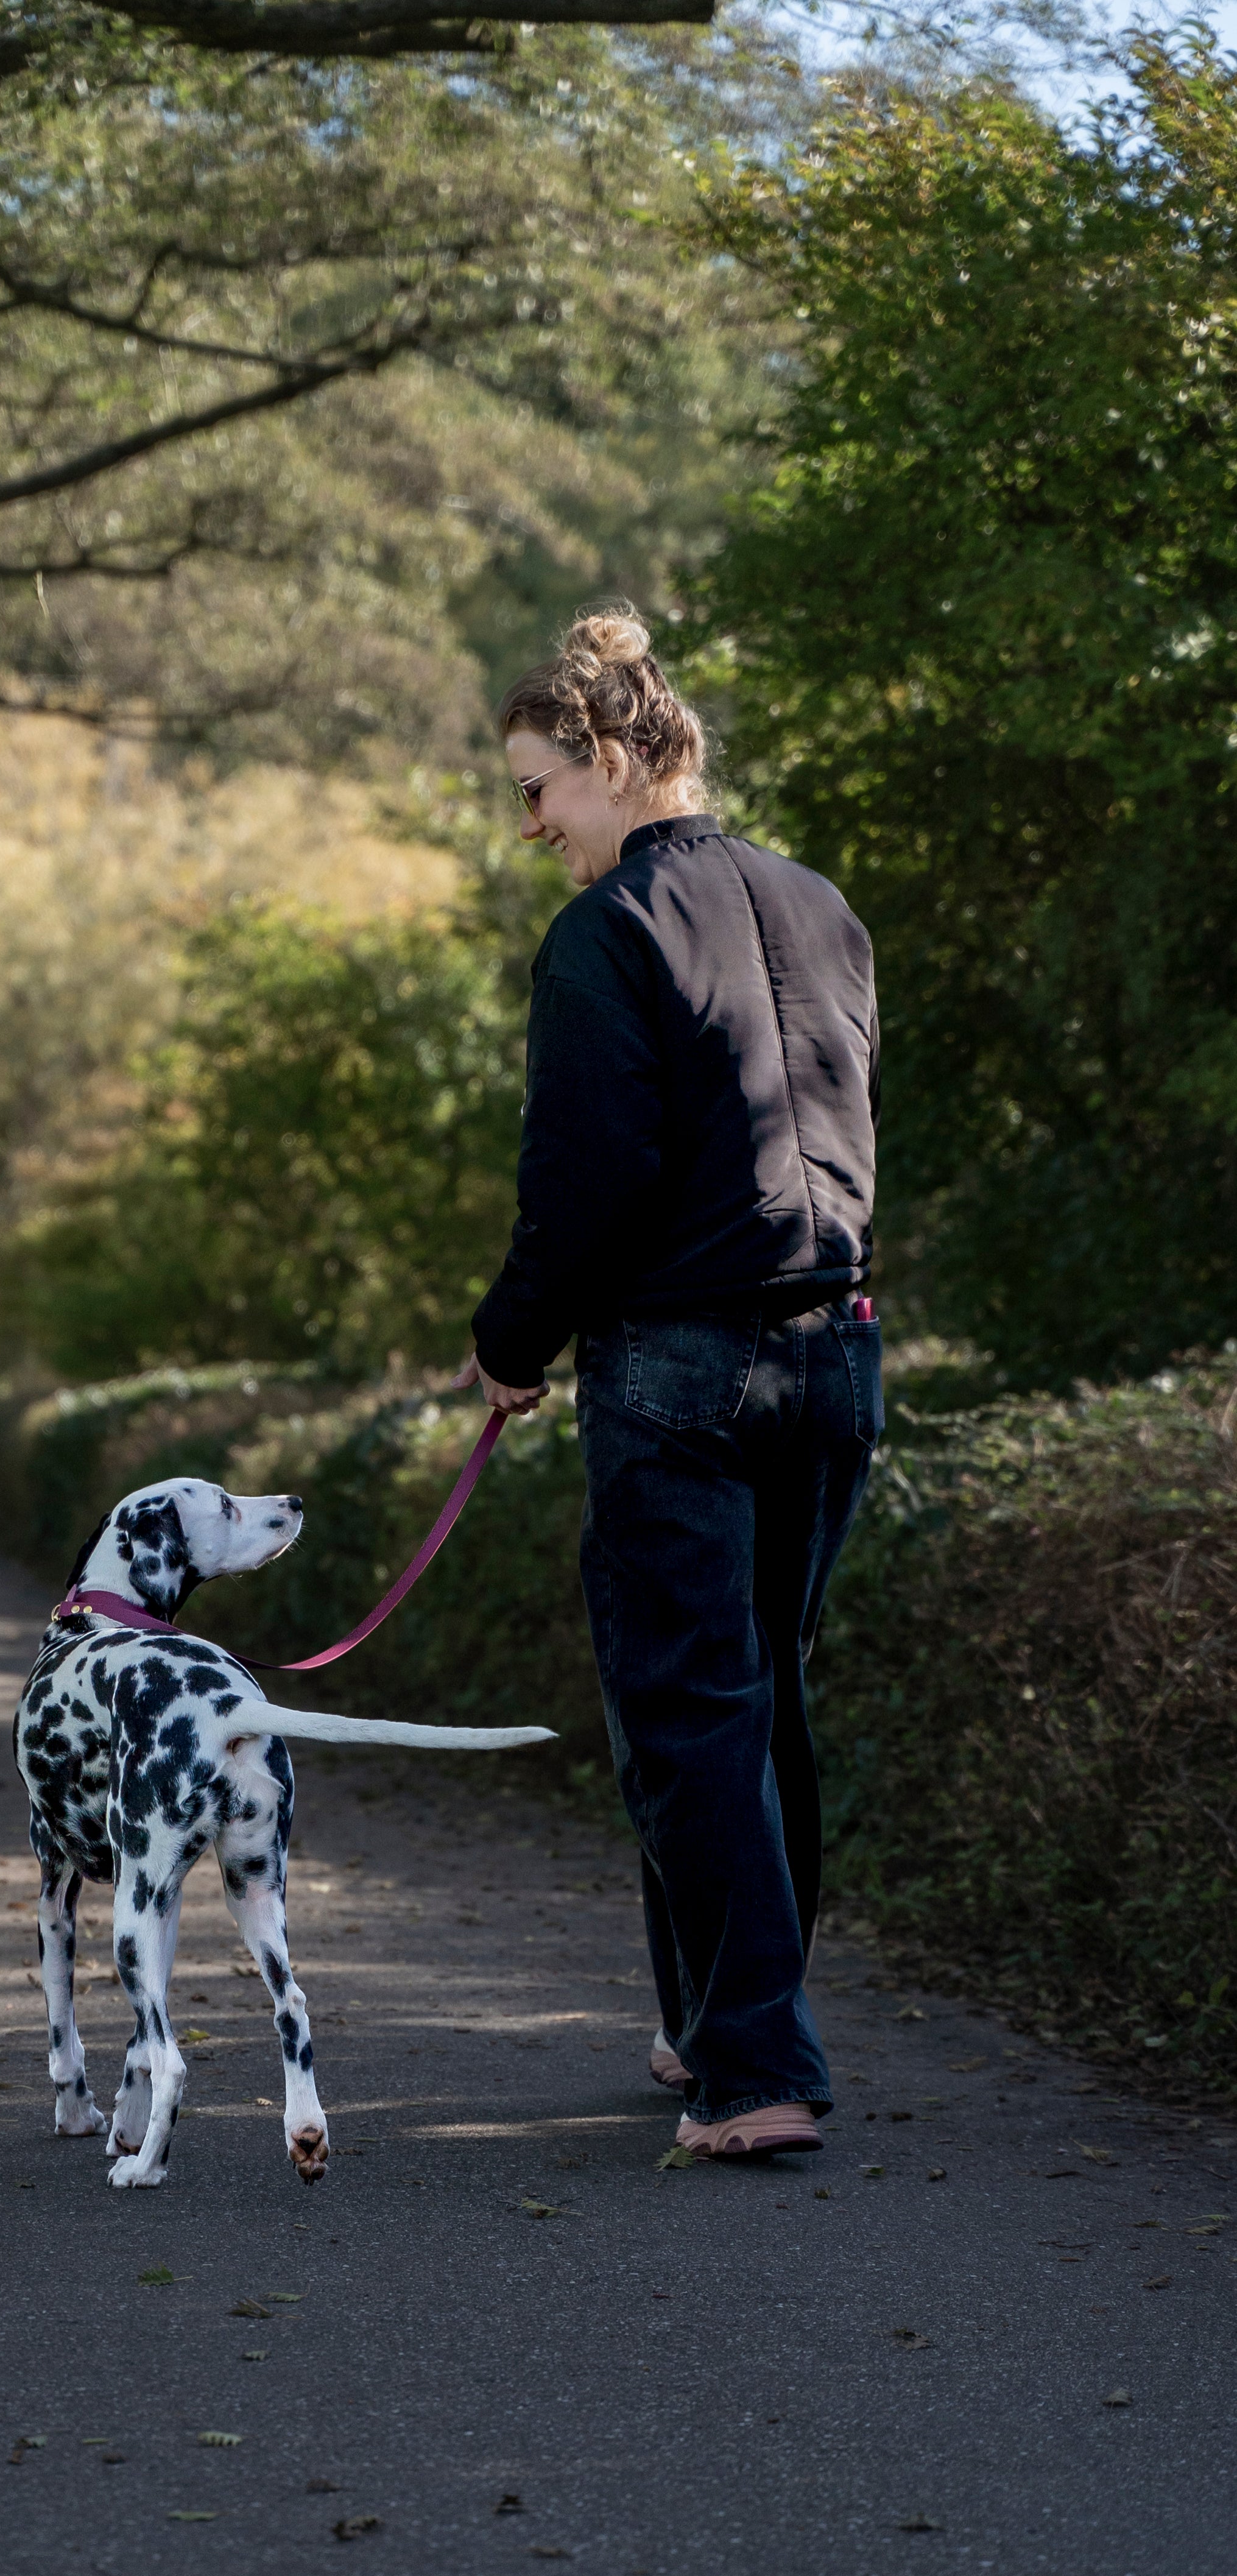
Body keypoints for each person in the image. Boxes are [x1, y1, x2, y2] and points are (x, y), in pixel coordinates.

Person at [456, 604, 881, 2161]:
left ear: (615, 757)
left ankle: (754, 2073)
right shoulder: (824, 905)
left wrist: (508, 1345)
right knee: (758, 1705)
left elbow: (586, 1180)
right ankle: (712, 2025)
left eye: (537, 787)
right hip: (833, 1352)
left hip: (679, 1367)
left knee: (690, 1712)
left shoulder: (599, 936)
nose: (529, 825)